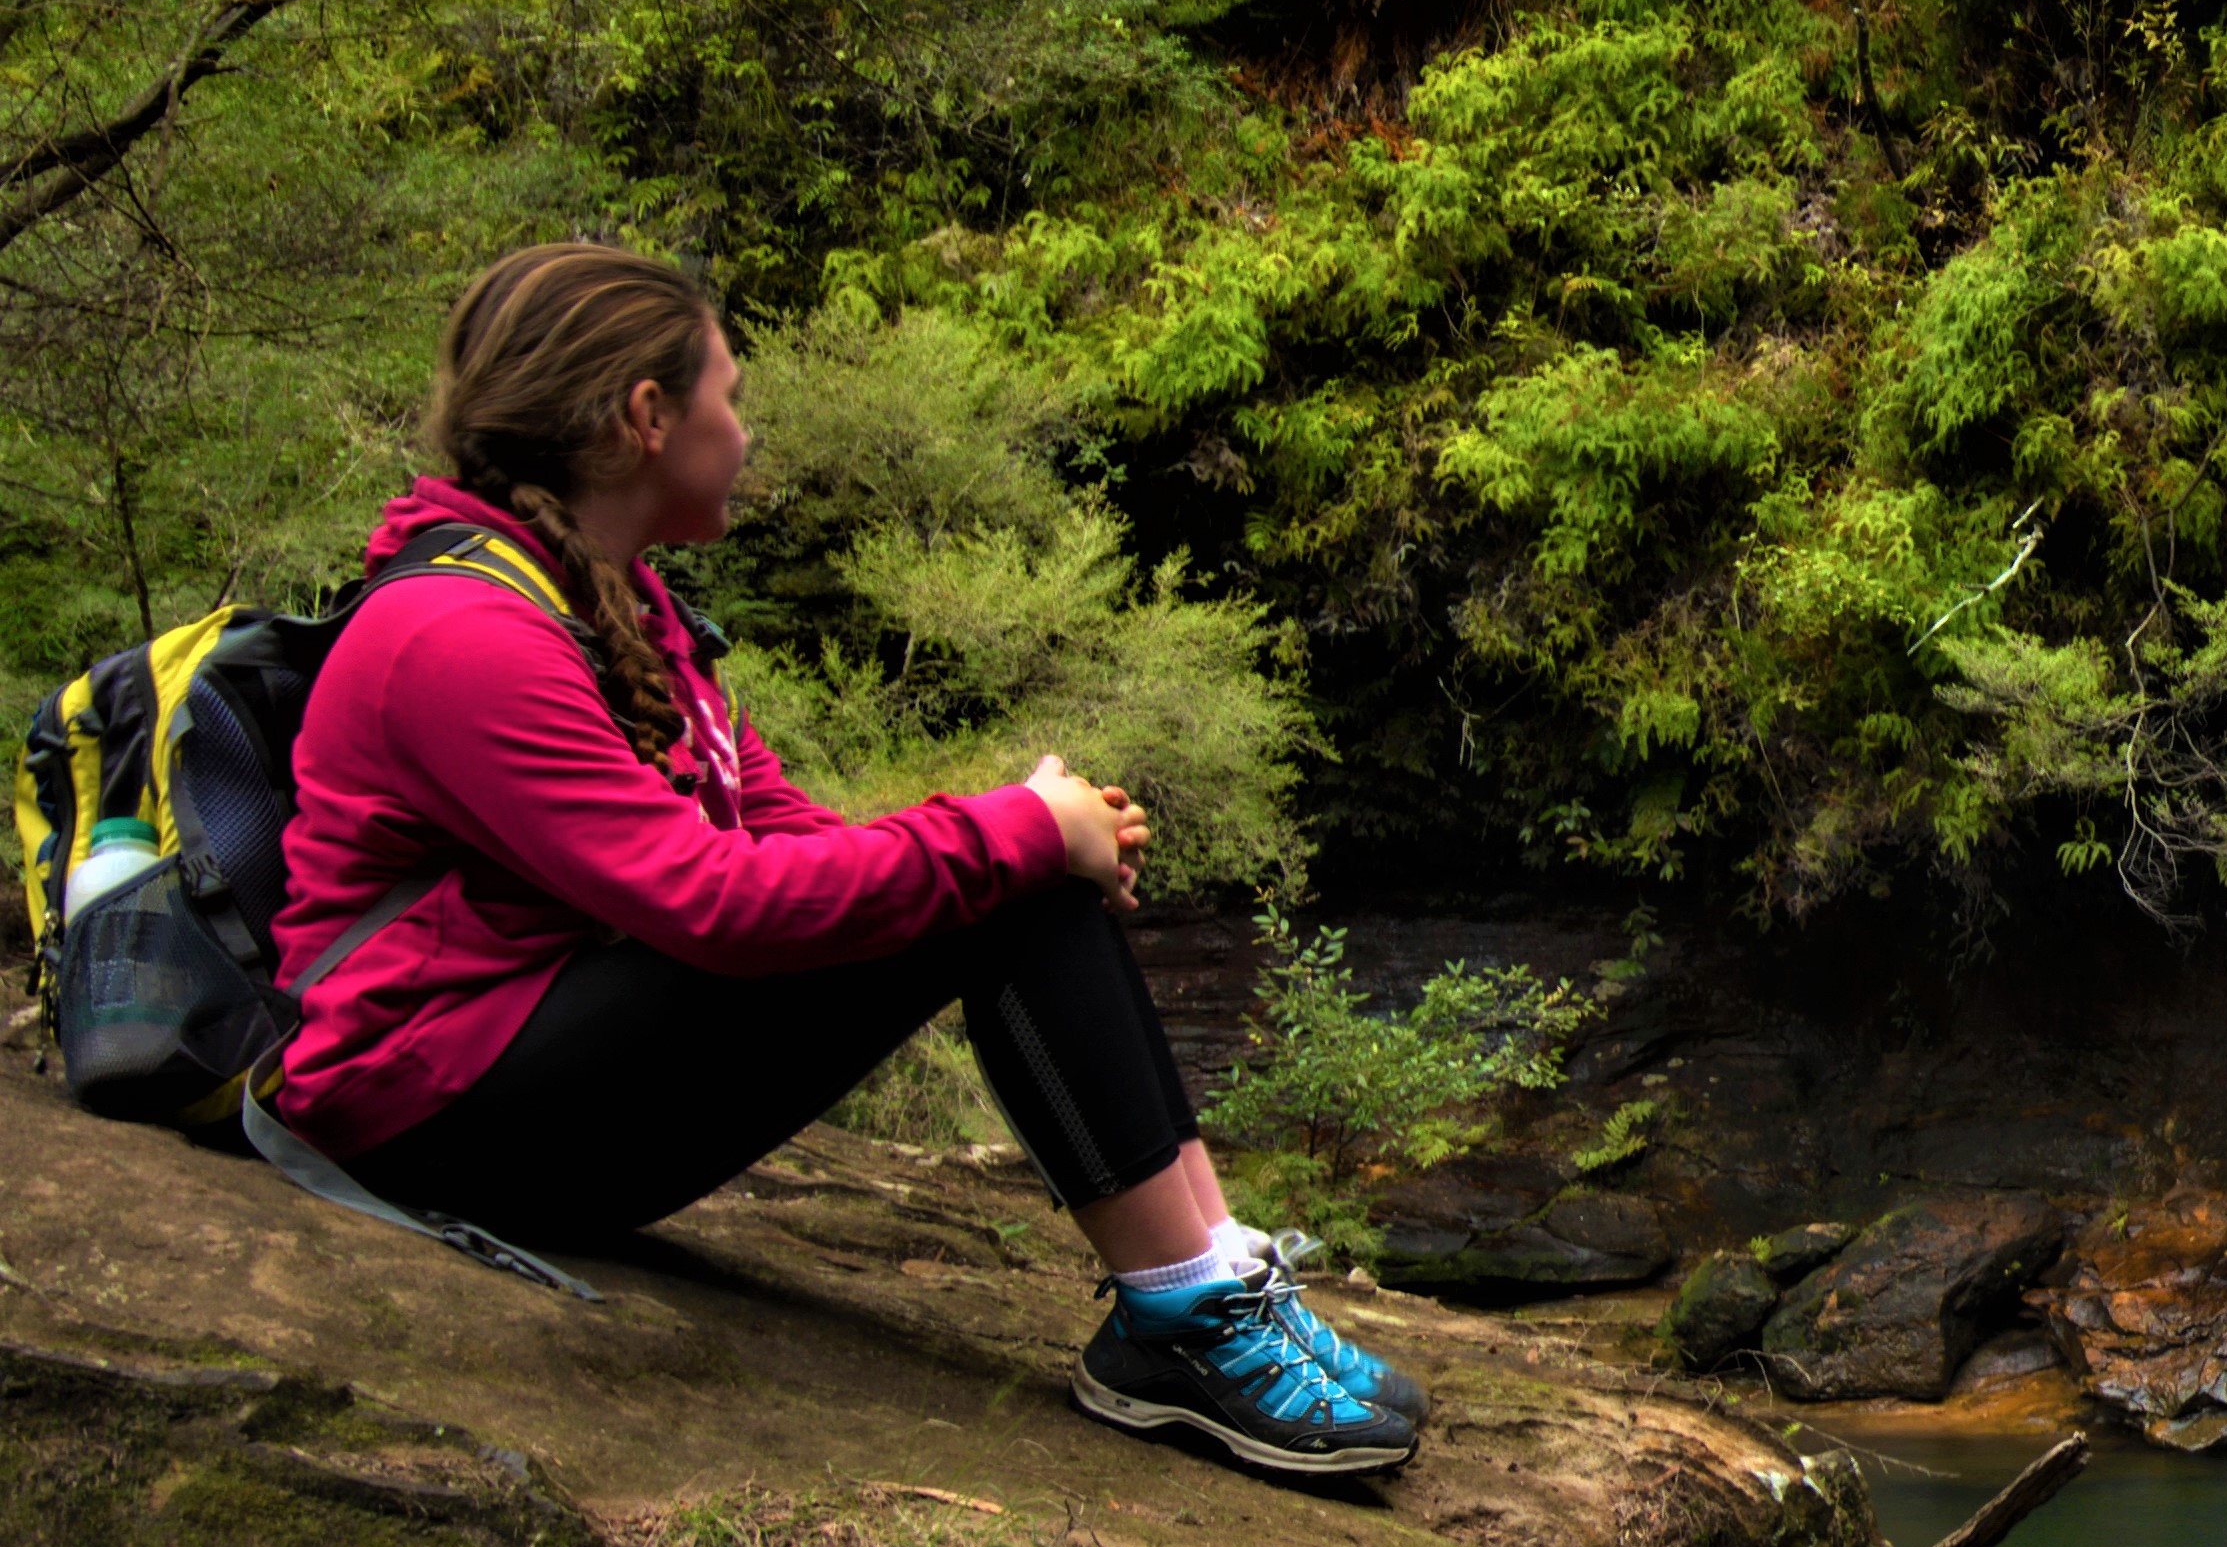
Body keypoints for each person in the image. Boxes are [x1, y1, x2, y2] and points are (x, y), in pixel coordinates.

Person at [270, 240, 1428, 1477]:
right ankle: (1180, 1319)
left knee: (1009, 874)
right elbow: (715, 903)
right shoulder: (460, 635)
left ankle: (1216, 1267)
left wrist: (1025, 841)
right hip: (429, 1120)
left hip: (523, 1072)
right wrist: (1021, 832)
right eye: (732, 395)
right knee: (1008, 872)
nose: (746, 430)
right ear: (646, 418)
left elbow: (792, 841)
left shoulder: (616, 604)